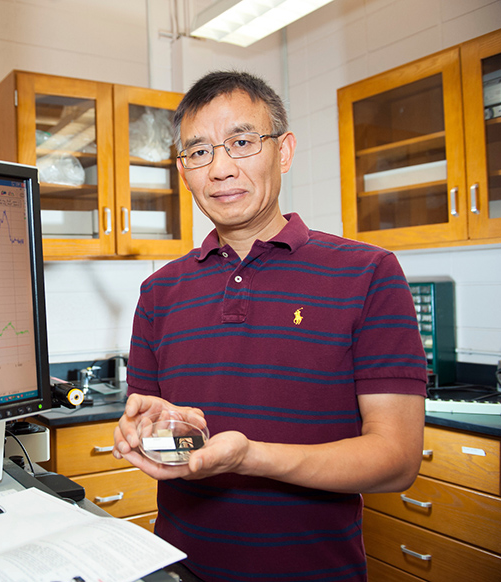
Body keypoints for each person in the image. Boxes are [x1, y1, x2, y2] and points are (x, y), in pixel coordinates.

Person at [112, 71, 427, 582]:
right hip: (178, 572)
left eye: (241, 142)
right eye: (198, 153)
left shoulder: (368, 273)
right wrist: (146, 432)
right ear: (183, 171)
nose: (219, 169)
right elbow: (157, 426)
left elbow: (396, 460)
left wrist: (251, 457)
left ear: (283, 151)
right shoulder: (159, 292)